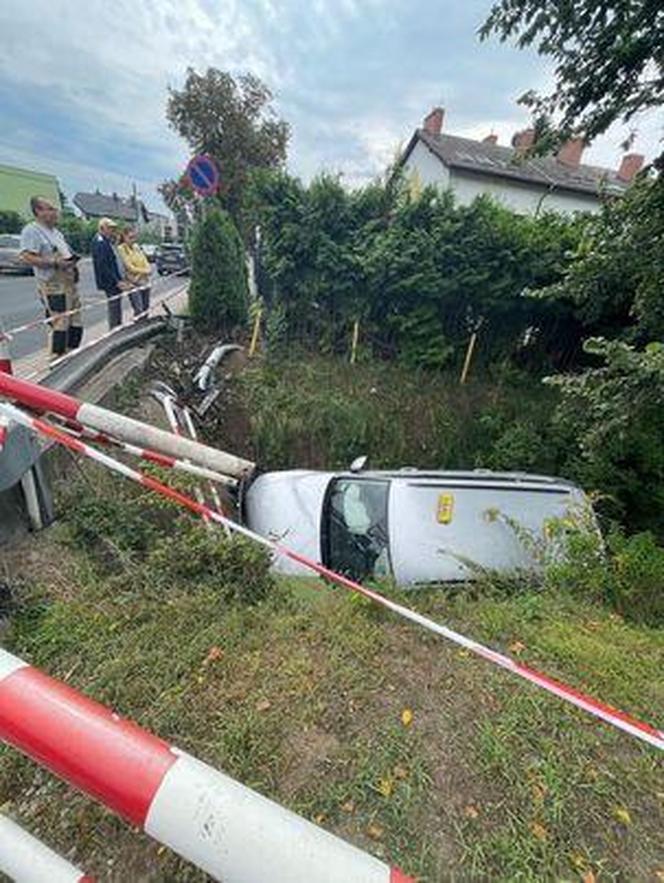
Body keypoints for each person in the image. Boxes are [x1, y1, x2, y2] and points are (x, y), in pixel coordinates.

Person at [19, 196, 83, 359]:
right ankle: (57, 359)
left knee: (75, 320)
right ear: (38, 211)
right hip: (53, 284)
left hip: (69, 282)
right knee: (60, 322)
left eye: (55, 209)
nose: (56, 212)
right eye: (51, 208)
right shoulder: (32, 230)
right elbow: (27, 257)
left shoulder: (57, 233)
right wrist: (54, 262)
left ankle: (73, 353)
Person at [91, 218, 130, 329]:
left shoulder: (106, 240)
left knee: (116, 306)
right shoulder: (99, 242)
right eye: (110, 228)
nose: (113, 231)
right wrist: (117, 281)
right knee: (114, 307)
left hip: (114, 280)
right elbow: (104, 266)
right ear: (102, 228)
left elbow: (114, 262)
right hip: (109, 282)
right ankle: (114, 331)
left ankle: (117, 328)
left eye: (113, 229)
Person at [117, 227, 151, 318]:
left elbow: (146, 263)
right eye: (130, 237)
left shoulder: (136, 247)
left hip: (144, 281)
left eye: (134, 237)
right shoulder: (121, 249)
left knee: (146, 308)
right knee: (139, 309)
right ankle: (138, 327)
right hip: (133, 283)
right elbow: (129, 267)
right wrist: (144, 271)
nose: (133, 240)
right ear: (124, 237)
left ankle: (146, 327)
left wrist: (142, 272)